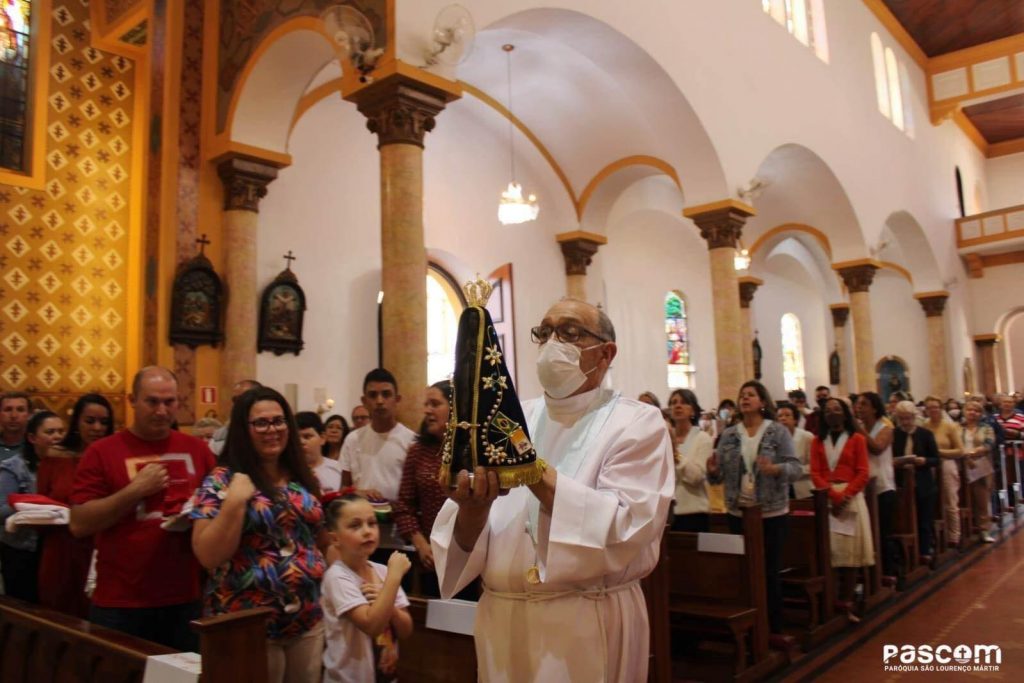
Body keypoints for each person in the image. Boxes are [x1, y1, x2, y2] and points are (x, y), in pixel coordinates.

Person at [431, 298, 674, 682]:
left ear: (606, 353)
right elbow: (460, 544)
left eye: (570, 333)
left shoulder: (637, 423)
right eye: (544, 333)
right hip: (501, 619)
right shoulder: (515, 418)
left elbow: (626, 525)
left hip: (584, 621)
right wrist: (473, 508)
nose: (551, 343)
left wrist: (529, 470)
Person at [69, 367, 216, 650]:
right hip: (121, 599)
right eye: (152, 401)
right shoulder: (102, 452)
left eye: (169, 401)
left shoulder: (198, 450)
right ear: (132, 400)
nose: (162, 411)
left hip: (184, 596)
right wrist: (135, 491)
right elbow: (79, 524)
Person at [191, 386, 326, 683]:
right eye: (261, 423)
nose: (272, 430)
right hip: (247, 624)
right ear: (243, 429)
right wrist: (235, 502)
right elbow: (207, 555)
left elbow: (318, 539)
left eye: (279, 421)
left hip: (307, 618)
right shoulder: (222, 480)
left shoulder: (303, 477)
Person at [707, 380, 801, 638]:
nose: (745, 398)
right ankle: (751, 627)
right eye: (742, 395)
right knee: (745, 571)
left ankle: (773, 627)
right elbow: (718, 478)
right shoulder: (729, 434)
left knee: (769, 571)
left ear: (762, 402)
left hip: (771, 512)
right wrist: (713, 472)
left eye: (751, 395)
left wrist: (775, 469)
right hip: (738, 511)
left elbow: (795, 468)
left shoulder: (777, 432)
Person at [37, 393, 114, 618]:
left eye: (104, 422)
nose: (97, 427)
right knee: (58, 616)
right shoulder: (57, 456)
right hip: (61, 546)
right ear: (77, 422)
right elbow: (40, 500)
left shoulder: (114, 456)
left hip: (102, 546)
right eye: (90, 421)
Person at [322, 495, 413, 683]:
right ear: (335, 538)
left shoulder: (383, 572)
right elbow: (371, 626)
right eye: (355, 526)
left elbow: (406, 630)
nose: (367, 531)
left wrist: (390, 606)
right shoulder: (337, 577)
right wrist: (394, 578)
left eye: (372, 523)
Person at [810, 398, 873, 622]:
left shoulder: (857, 439)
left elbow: (863, 472)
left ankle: (848, 601)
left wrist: (845, 495)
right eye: (828, 410)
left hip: (851, 498)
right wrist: (832, 494)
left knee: (850, 554)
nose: (832, 413)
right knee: (832, 553)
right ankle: (831, 602)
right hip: (826, 497)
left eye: (837, 409)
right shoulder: (818, 441)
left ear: (845, 414)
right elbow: (815, 472)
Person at [392, 381, 456, 597]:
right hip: (431, 557)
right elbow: (404, 505)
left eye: (435, 403)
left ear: (454, 408)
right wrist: (421, 543)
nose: (427, 410)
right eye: (426, 404)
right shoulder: (418, 452)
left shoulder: (473, 451)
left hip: (472, 555)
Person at [0, 410, 64, 603]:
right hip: (22, 550)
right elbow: (1, 510)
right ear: (32, 438)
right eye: (50, 432)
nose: (57, 437)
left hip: (56, 548)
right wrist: (34, 505)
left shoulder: (68, 465)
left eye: (61, 431)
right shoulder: (14, 467)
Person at [340, 369, 415, 502]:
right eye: (373, 395)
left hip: (399, 516)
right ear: (364, 401)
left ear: (397, 399)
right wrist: (357, 493)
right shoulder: (352, 439)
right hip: (361, 514)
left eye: (386, 394)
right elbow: (344, 487)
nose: (380, 401)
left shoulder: (412, 441)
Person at [855, 392, 898, 580]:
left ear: (874, 407)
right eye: (857, 404)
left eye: (863, 404)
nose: (859, 407)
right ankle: (871, 573)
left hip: (883, 486)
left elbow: (877, 448)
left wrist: (858, 428)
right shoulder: (861, 427)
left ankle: (889, 571)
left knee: (883, 532)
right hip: (863, 487)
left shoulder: (886, 427)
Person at [891, 400, 940, 561]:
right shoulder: (894, 434)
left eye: (908, 418)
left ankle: (924, 550)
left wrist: (924, 461)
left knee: (924, 518)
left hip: (923, 481)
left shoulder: (925, 434)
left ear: (914, 416)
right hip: (901, 482)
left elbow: (936, 459)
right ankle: (905, 554)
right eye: (902, 418)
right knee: (903, 518)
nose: (905, 422)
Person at [922, 395, 964, 547]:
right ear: (925, 410)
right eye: (929, 408)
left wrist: (939, 452)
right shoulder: (924, 426)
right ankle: (936, 536)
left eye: (936, 407)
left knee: (950, 499)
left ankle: (954, 535)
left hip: (946, 463)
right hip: (930, 465)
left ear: (941, 409)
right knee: (931, 501)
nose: (933, 410)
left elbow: (960, 450)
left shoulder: (949, 426)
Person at [668, 389, 712, 531]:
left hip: (694, 512)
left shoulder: (702, 439)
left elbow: (696, 477)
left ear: (693, 411)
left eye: (683, 403)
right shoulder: (665, 438)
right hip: (669, 512)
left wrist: (676, 454)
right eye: (674, 403)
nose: (678, 406)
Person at [961, 399, 996, 543]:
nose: (972, 413)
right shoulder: (958, 427)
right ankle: (967, 529)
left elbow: (988, 444)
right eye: (969, 410)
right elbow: (955, 442)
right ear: (965, 412)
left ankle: (984, 529)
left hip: (980, 464)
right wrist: (963, 453)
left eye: (976, 411)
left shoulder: (986, 428)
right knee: (964, 497)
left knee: (981, 498)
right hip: (962, 463)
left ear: (980, 414)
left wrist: (973, 452)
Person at [209, 379, 262, 455]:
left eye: (244, 398)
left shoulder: (273, 428)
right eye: (235, 399)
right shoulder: (220, 435)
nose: (239, 403)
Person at [296, 411, 342, 495]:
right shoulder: (287, 473)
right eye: (296, 438)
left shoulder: (338, 468)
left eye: (307, 437)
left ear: (322, 438)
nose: (301, 442)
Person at [776, 402, 814, 499]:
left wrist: (793, 470)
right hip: (781, 489)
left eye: (787, 415)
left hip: (804, 488)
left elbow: (814, 465)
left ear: (795, 420)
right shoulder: (773, 439)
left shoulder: (806, 437)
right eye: (779, 416)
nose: (783, 418)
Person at [0, 391, 31, 462]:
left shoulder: (37, 447)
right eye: (8, 409)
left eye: (20, 410)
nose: (14, 415)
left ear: (29, 415)